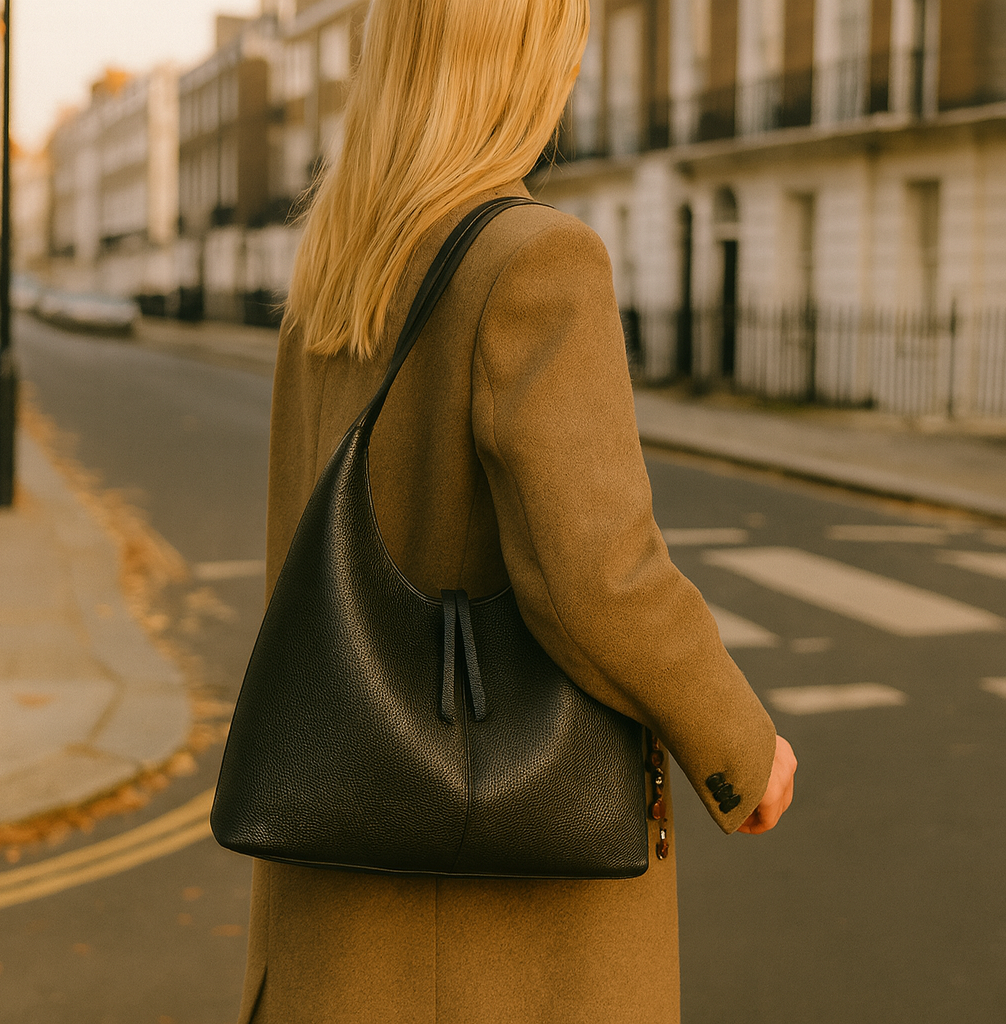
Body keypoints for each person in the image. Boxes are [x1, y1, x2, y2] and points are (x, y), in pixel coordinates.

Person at [236, 1, 796, 1021]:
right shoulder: (536, 259)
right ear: (524, 59)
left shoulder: (332, 275)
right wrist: (740, 745)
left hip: (335, 915)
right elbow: (598, 577)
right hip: (495, 940)